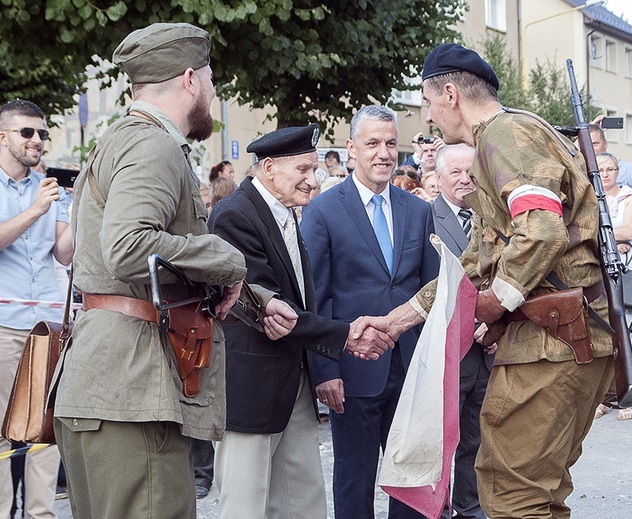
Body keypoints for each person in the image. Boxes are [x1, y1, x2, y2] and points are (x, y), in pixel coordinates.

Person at [359, 43, 615, 518]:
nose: (431, 118)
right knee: (538, 493)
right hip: (564, 337)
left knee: (510, 492)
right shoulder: (513, 134)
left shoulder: (505, 135)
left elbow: (540, 227)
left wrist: (498, 302)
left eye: (430, 103)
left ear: (450, 93)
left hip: (550, 342)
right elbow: (475, 262)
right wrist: (397, 321)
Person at [51, 23, 296, 519]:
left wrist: (253, 296)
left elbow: (125, 259)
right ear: (190, 80)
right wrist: (228, 261)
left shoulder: (118, 140)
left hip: (109, 383)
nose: (212, 90)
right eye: (209, 78)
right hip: (132, 389)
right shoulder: (152, 145)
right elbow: (127, 248)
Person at [208, 124, 393, 519]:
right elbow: (269, 310)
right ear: (269, 167)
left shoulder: (286, 211)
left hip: (293, 386)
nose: (313, 180)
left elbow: (299, 302)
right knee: (244, 507)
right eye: (304, 170)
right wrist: (346, 335)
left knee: (304, 505)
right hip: (250, 392)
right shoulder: (234, 215)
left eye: (314, 169)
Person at [301, 105, 439, 519]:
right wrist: (325, 371)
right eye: (373, 143)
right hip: (354, 372)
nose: (384, 153)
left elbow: (434, 293)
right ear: (351, 149)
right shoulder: (323, 211)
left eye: (391, 143)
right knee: (353, 481)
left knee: (412, 483)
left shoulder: (418, 210)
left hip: (412, 372)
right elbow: (315, 300)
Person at [0, 99, 72, 519]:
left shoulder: (50, 189)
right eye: (28, 133)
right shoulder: (38, 200)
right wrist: (35, 211)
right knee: (3, 431)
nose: (37, 141)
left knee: (45, 431)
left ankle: (40, 515)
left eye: (42, 133)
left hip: (46, 328)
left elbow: (63, 254)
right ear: (4, 136)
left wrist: (80, 210)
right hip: (4, 325)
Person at [431, 144, 493, 519]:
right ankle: (438, 509)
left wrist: (495, 320)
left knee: (477, 439)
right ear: (438, 178)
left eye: (470, 171)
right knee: (441, 443)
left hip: (490, 350)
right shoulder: (425, 219)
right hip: (449, 352)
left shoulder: (495, 220)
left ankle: (470, 509)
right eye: (454, 172)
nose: (464, 178)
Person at [594, 153, 632, 421]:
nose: (605, 174)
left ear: (618, 171)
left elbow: (629, 230)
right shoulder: (590, 198)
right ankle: (604, 397)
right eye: (600, 169)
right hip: (595, 271)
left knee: (627, 330)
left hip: (624, 271)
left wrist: (600, 233)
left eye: (611, 169)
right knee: (600, 331)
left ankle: (628, 397)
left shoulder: (631, 197)